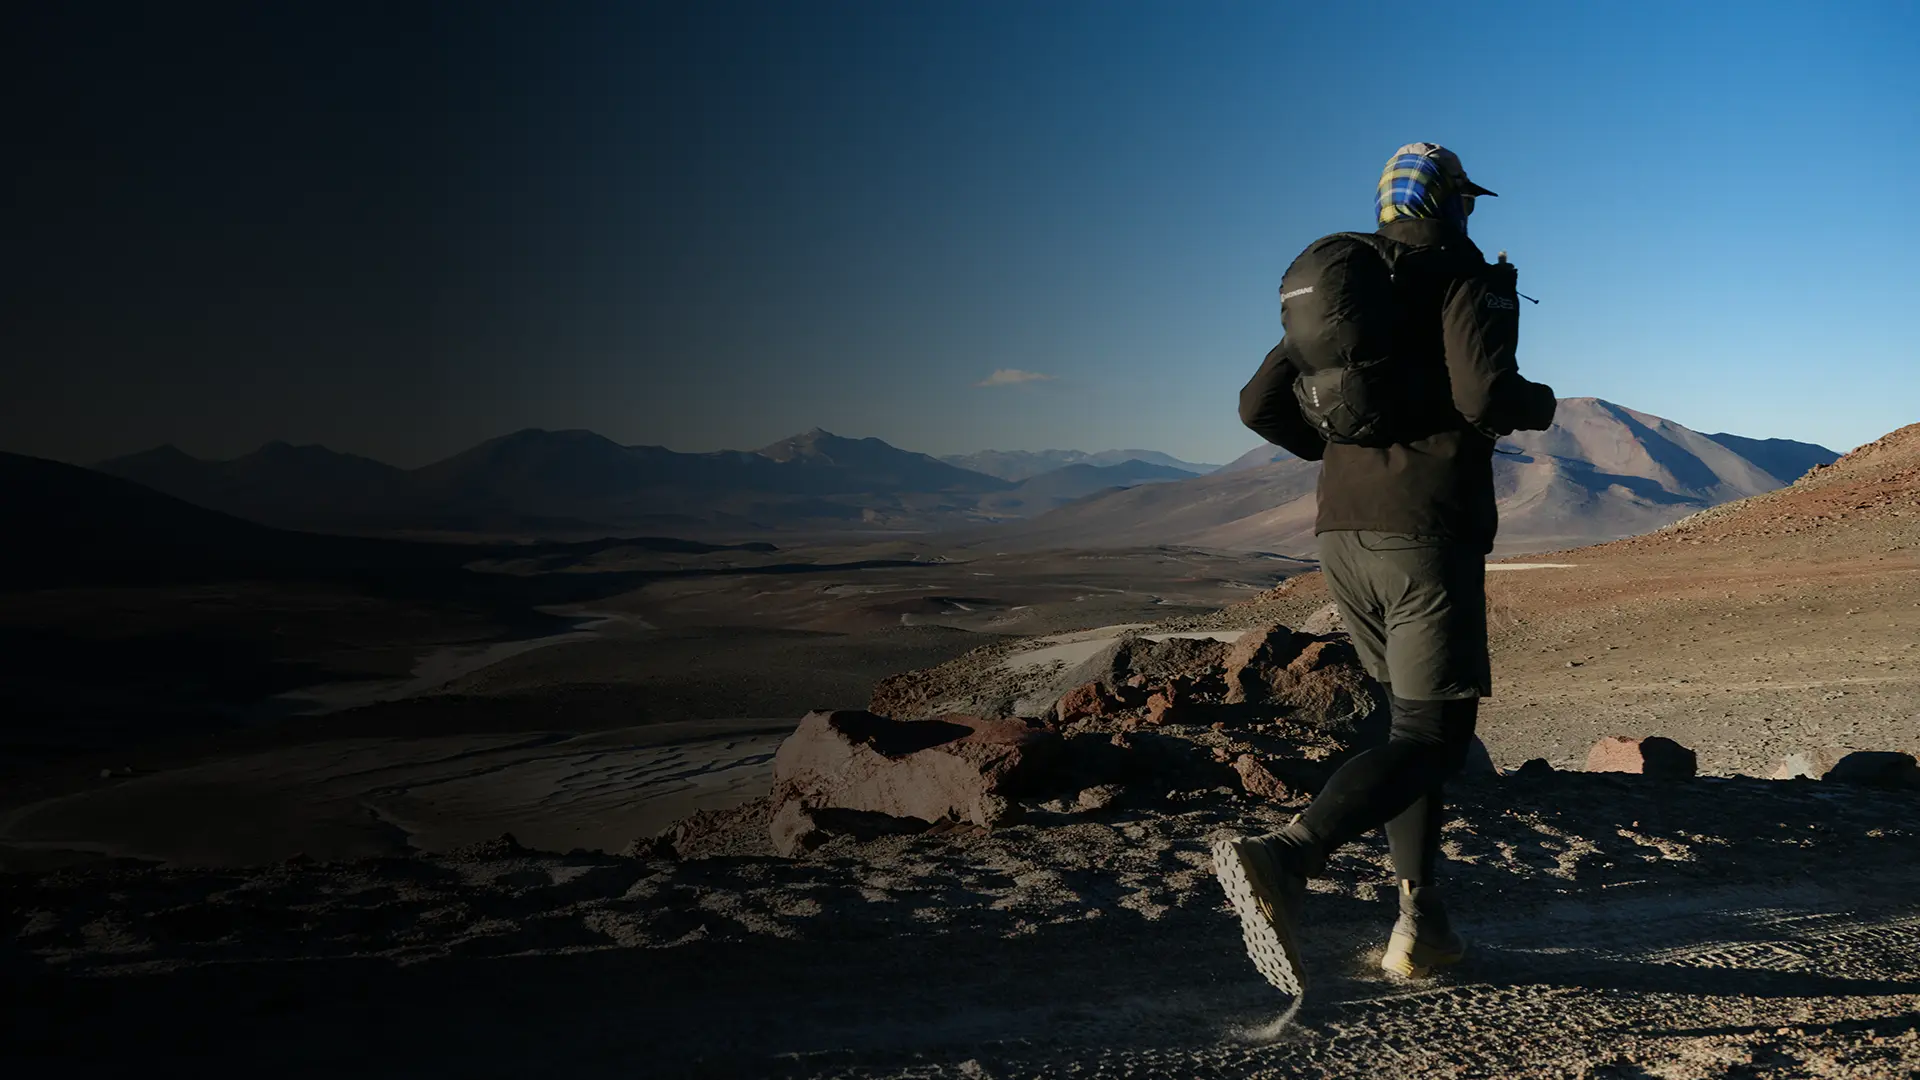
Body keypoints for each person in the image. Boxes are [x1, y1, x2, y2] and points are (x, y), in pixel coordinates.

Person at [1214, 142, 1558, 994]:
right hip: (1424, 532)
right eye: (1465, 201)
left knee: (1412, 734)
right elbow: (1484, 396)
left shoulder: (1347, 288)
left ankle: (1422, 924)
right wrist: (1541, 406)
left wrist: (1338, 450)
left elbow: (1258, 403)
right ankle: (1287, 860)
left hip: (1343, 534)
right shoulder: (1460, 274)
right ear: (1448, 203)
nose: (1472, 214)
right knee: (1434, 738)